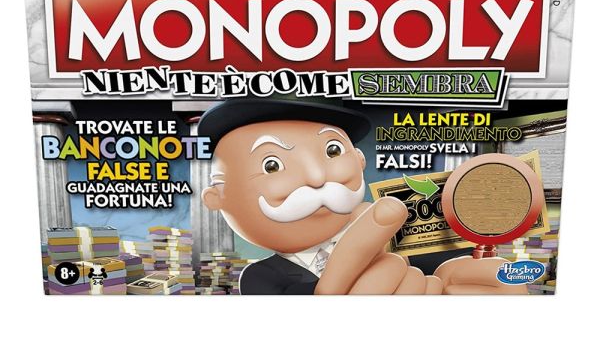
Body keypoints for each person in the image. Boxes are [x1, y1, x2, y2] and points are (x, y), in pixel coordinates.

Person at [199, 99, 526, 295]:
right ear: (217, 198)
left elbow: (453, 270)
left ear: (359, 160)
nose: (317, 177)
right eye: (272, 165)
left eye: (332, 151)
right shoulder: (260, 279)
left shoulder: (407, 235)